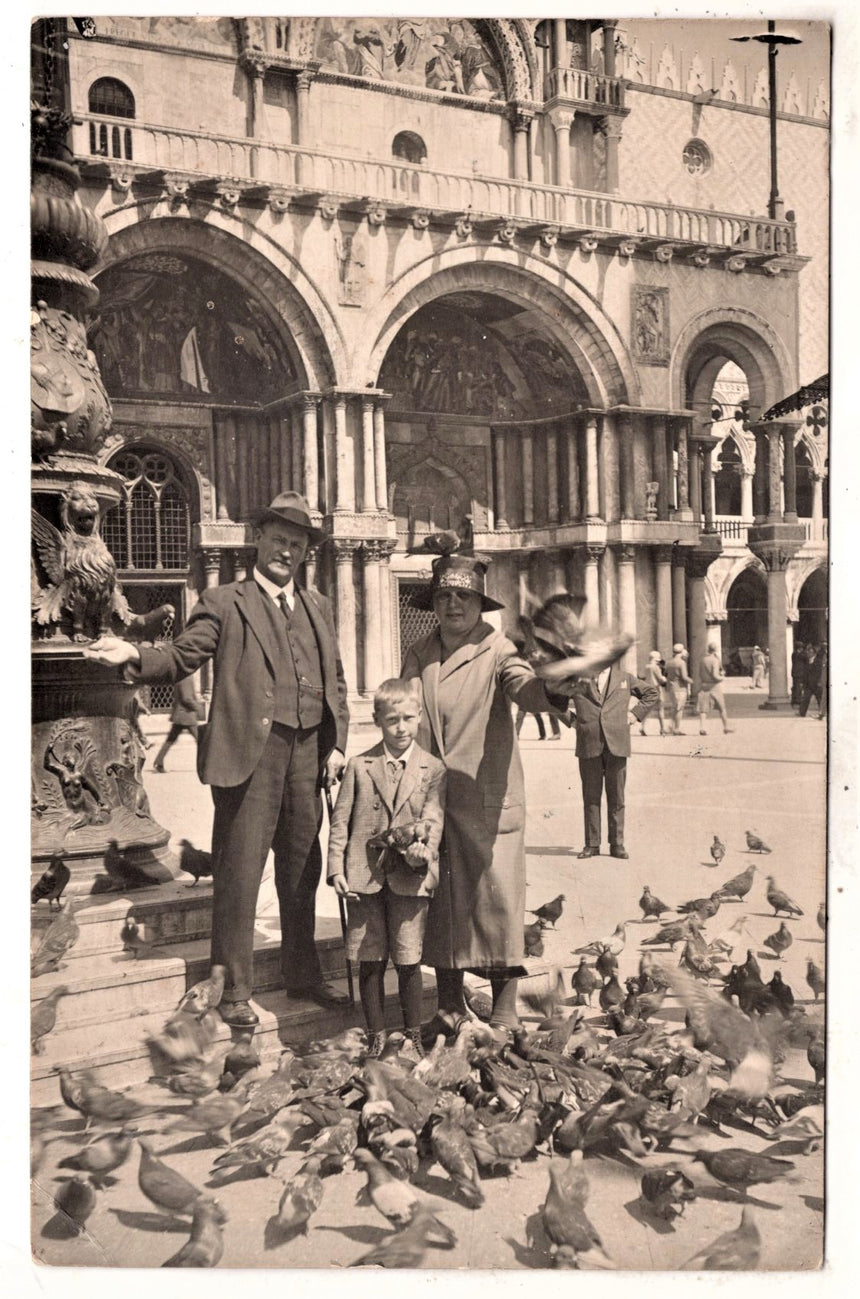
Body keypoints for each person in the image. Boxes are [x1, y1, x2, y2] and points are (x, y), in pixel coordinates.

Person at [85, 491, 350, 1029]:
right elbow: (184, 654)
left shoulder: (318, 605)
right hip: (250, 755)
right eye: (278, 539)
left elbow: (336, 682)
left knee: (302, 869)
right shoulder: (226, 600)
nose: (286, 551)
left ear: (305, 551)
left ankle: (303, 973)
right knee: (238, 873)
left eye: (296, 544)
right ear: (259, 539)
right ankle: (230, 989)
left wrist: (338, 742)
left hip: (307, 756)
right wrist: (136, 654)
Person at [400, 554, 570, 1038]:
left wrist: (554, 688)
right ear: (433, 602)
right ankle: (450, 1004)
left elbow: (525, 687)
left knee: (496, 905)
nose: (453, 604)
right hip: (433, 801)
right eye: (444, 595)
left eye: (464, 596)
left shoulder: (497, 650)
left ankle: (504, 1008)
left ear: (480, 603)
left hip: (486, 798)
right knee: (442, 907)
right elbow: (404, 711)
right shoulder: (419, 652)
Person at [327, 679, 446, 1060]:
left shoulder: (433, 768)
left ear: (420, 718)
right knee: (371, 959)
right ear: (377, 719)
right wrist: (336, 870)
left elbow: (433, 819)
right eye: (392, 719)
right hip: (363, 878)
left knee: (409, 959)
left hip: (410, 878)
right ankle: (377, 1033)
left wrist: (422, 849)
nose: (401, 728)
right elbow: (340, 823)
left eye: (408, 719)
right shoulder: (360, 766)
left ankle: (412, 1035)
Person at [566, 661, 658, 859]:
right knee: (591, 796)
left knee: (617, 796)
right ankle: (592, 844)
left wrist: (634, 715)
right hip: (588, 743)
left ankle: (617, 844)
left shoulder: (624, 678)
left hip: (617, 743)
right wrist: (572, 721)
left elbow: (651, 693)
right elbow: (553, 701)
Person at [152, 674, 202, 772]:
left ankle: (159, 761)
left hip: (181, 714)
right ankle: (206, 765)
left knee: (171, 739)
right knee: (202, 740)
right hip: (186, 714)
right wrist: (198, 708)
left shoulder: (182, 676)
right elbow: (186, 698)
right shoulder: (186, 677)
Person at [698, 642, 734, 736]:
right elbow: (715, 675)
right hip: (714, 686)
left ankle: (702, 728)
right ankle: (726, 727)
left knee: (703, 708)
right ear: (716, 650)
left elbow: (700, 673)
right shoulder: (715, 660)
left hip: (704, 685)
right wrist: (722, 677)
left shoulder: (703, 660)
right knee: (722, 707)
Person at [664, 642, 693, 735]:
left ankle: (670, 726)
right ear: (682, 652)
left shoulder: (669, 662)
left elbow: (665, 674)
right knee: (679, 709)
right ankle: (676, 728)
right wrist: (691, 681)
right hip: (680, 688)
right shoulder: (681, 663)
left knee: (674, 707)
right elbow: (684, 677)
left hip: (671, 687)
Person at [639, 651, 668, 735]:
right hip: (656, 689)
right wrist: (664, 678)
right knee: (660, 709)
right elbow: (660, 679)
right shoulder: (656, 667)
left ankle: (642, 727)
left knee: (646, 710)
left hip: (647, 689)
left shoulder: (646, 667)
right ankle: (662, 729)